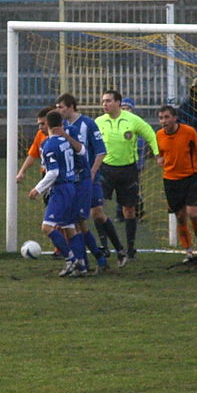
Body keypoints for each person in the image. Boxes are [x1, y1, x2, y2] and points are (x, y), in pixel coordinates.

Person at [94, 90, 159, 267]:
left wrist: (157, 153)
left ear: (118, 102)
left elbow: (150, 134)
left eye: (108, 101)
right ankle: (104, 246)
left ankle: (130, 249)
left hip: (128, 170)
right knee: (97, 209)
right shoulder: (99, 122)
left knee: (129, 210)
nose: (104, 104)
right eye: (103, 101)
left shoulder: (132, 120)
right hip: (105, 170)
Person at [55, 93, 111, 274]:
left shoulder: (88, 124)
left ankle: (85, 263)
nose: (59, 110)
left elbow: (100, 151)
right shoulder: (61, 127)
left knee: (81, 220)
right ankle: (96, 260)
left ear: (71, 106)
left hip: (84, 180)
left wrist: (92, 173)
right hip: (71, 181)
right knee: (78, 222)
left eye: (61, 106)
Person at [27, 110, 84, 277]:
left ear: (48, 124)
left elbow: (53, 172)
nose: (40, 127)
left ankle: (71, 260)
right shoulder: (65, 141)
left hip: (61, 189)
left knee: (47, 227)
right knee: (69, 227)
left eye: (42, 124)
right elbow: (81, 152)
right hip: (71, 187)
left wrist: (37, 189)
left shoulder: (49, 145)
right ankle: (80, 263)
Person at [155, 105, 197, 264]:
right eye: (161, 118)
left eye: (166, 117)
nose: (164, 121)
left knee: (193, 213)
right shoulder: (158, 135)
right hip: (170, 180)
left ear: (174, 117)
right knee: (180, 216)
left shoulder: (189, 132)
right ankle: (188, 252)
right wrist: (159, 158)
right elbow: (159, 153)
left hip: (191, 177)